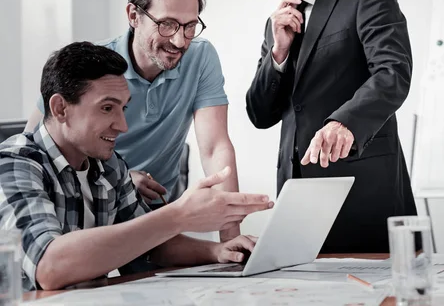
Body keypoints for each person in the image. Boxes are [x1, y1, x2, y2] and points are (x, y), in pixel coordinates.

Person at [0, 42, 272, 291]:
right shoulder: (14, 164)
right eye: (107, 108)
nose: (122, 126)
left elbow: (150, 245)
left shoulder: (110, 166)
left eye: (123, 108)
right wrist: (180, 215)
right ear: (60, 108)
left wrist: (218, 251)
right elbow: (49, 267)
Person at [236, 0, 417, 253]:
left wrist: (344, 122)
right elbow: (260, 115)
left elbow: (392, 72)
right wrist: (278, 53)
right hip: (298, 197)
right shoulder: (276, 24)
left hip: (363, 188)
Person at [26, 0, 241, 241]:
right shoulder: (92, 66)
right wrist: (121, 182)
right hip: (85, 209)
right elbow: (37, 144)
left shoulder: (201, 57)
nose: (179, 40)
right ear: (133, 16)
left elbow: (215, 149)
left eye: (189, 26)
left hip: (154, 212)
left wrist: (231, 238)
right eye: (167, 24)